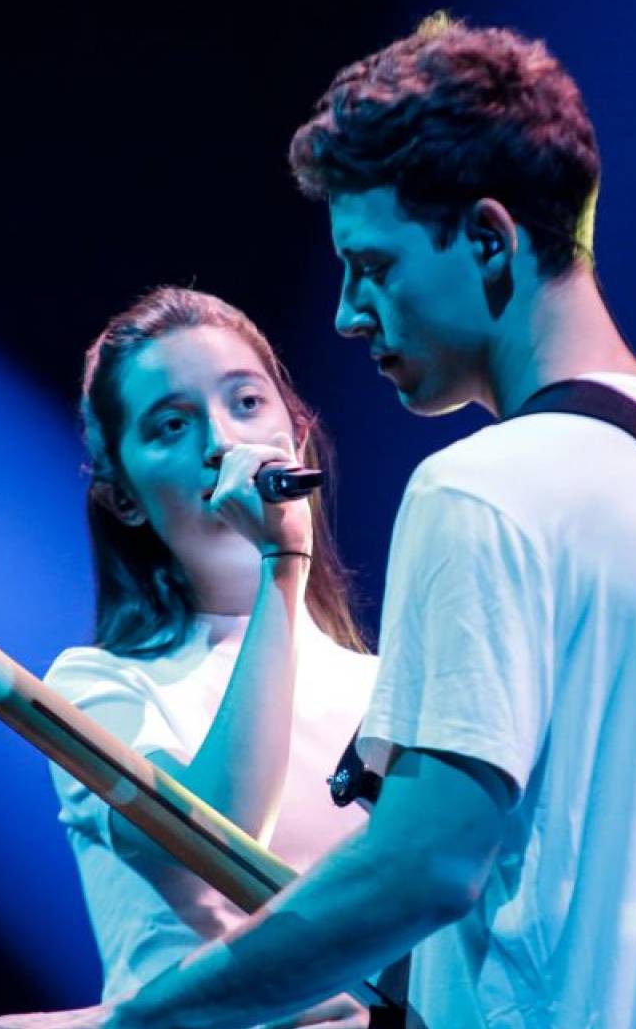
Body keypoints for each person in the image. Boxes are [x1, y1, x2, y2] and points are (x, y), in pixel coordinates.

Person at [0, 16, 636, 1029]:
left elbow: (423, 871)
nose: (348, 313)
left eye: (374, 266)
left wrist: (134, 1023)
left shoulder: (479, 491)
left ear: (488, 240)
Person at [35, 286, 378, 1028]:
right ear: (124, 497)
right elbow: (219, 838)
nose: (222, 444)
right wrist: (282, 566)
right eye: (172, 425)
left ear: (297, 437)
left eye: (246, 402)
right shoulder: (99, 689)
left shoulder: (386, 688)